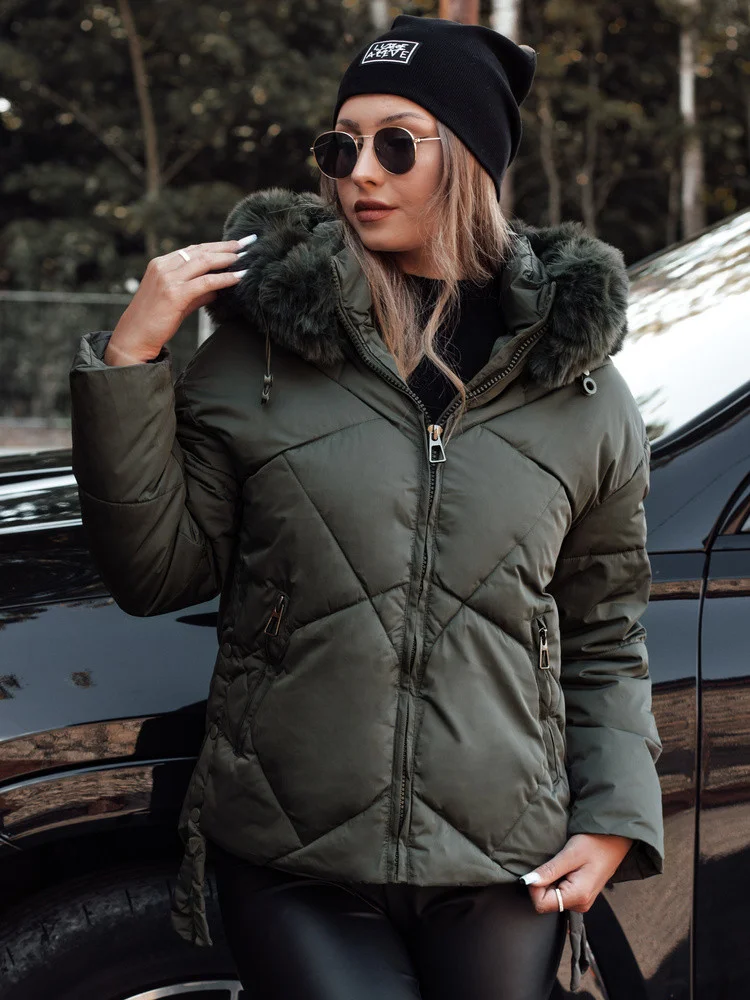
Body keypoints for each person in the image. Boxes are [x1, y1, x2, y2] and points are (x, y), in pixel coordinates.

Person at [68, 13, 665, 999]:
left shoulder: (581, 390)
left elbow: (604, 628)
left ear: (470, 159)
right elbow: (155, 572)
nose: (360, 175)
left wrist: (613, 820)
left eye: (396, 144)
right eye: (341, 147)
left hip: (502, 857)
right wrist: (130, 361)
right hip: (295, 856)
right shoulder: (260, 356)